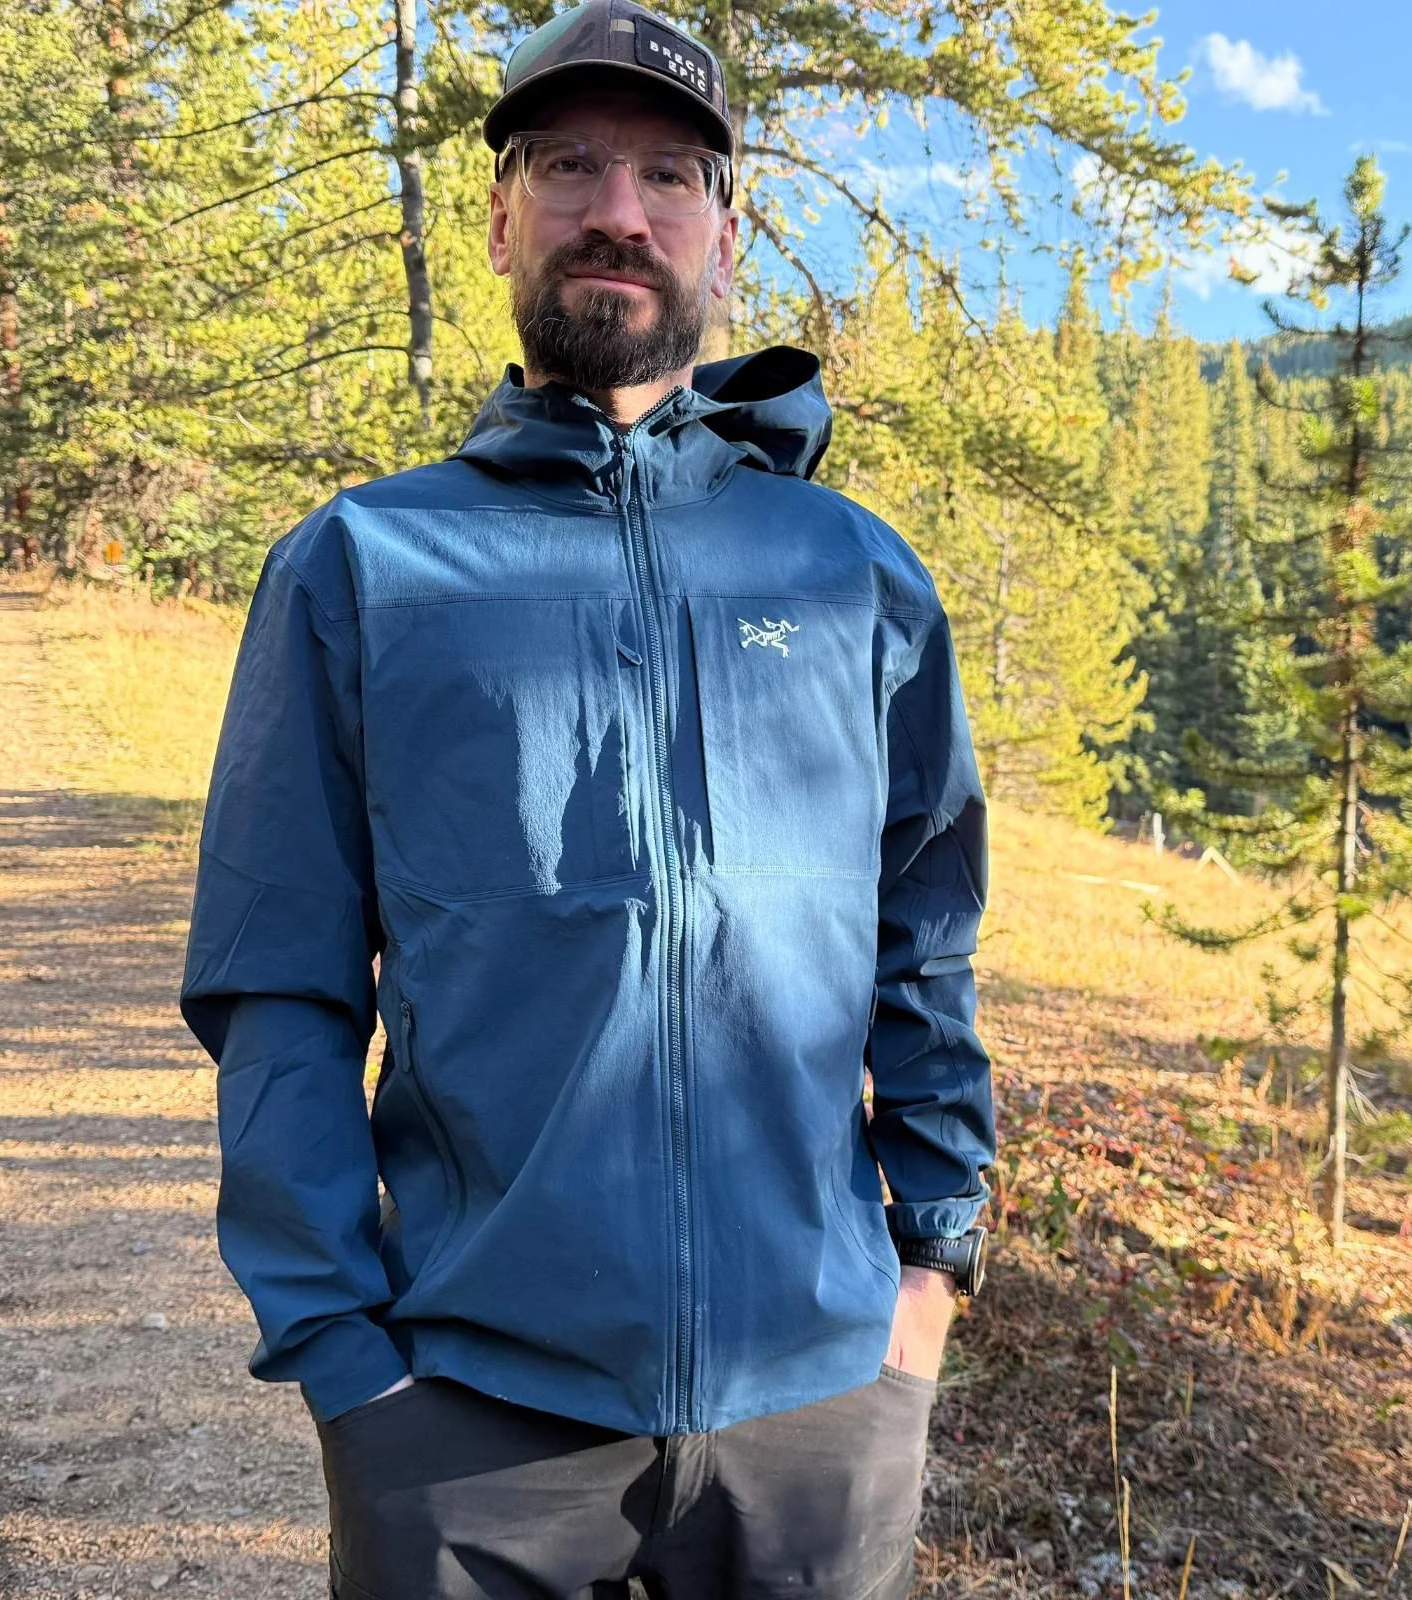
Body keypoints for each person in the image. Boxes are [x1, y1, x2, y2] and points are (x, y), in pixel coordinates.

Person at [176, 2, 997, 1595]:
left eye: (669, 173)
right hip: (470, 1427)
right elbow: (277, 983)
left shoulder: (851, 577)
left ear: (723, 230)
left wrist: (927, 1277)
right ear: (501, 216)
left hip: (821, 1409)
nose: (620, 209)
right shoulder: (364, 568)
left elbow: (928, 940)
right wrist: (349, 1357)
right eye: (570, 164)